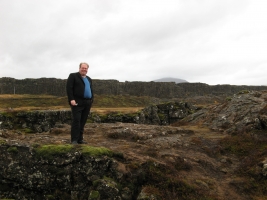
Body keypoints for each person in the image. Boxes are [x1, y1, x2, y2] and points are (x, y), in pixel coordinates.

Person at [66, 62, 94, 144]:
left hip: (87, 102)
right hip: (77, 102)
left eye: (86, 68)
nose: (84, 69)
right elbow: (69, 88)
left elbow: (91, 90)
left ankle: (80, 139)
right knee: (77, 121)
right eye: (83, 68)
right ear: (79, 68)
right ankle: (74, 140)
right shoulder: (73, 76)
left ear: (87, 69)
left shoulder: (89, 79)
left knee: (83, 121)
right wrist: (71, 99)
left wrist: (92, 99)